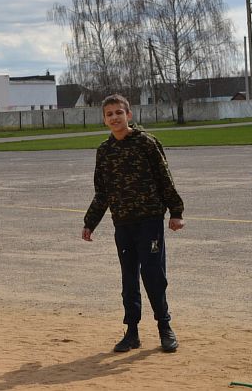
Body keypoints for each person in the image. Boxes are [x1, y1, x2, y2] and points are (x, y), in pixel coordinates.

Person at [81, 94, 185, 355]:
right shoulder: (104, 151)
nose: (114, 117)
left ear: (129, 114)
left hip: (150, 220)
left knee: (153, 275)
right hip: (123, 223)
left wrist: (176, 212)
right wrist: (90, 222)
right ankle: (132, 332)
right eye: (109, 114)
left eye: (119, 112)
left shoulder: (146, 143)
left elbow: (165, 178)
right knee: (129, 279)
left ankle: (164, 327)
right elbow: (102, 192)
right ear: (104, 120)